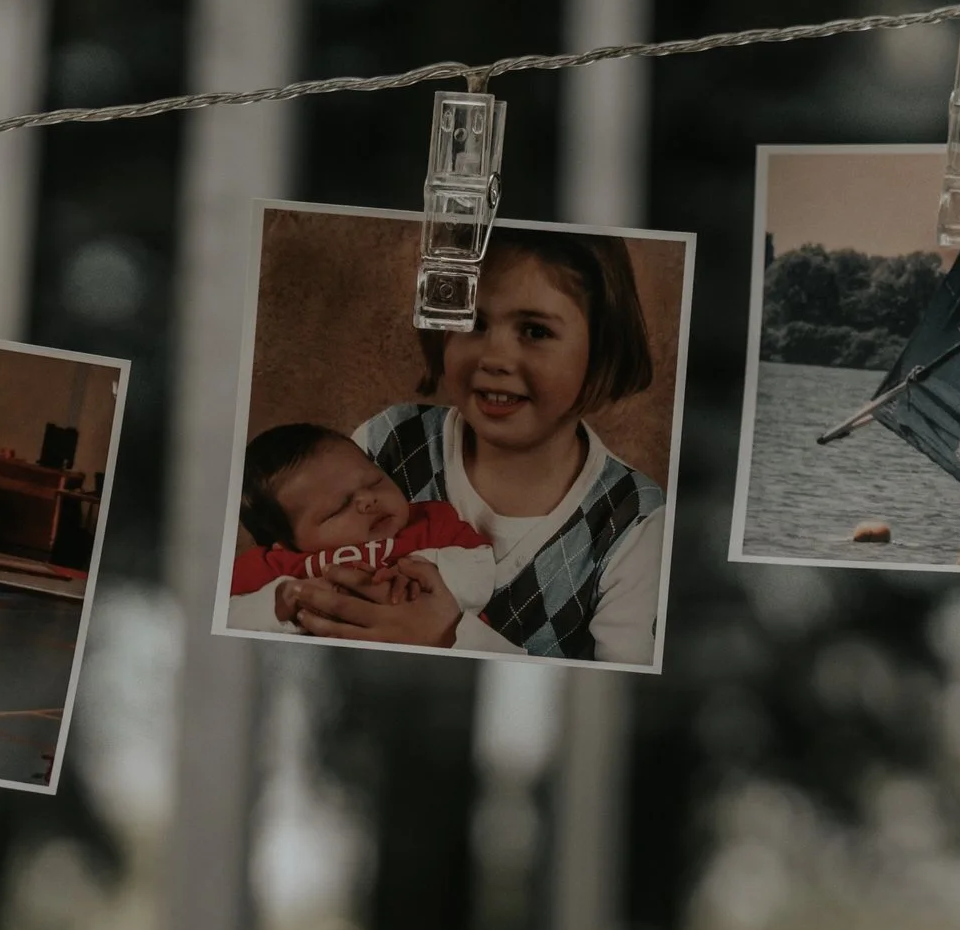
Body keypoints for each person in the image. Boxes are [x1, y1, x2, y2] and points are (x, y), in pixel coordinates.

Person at [274, 234, 666, 665]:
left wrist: (449, 637)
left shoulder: (635, 519)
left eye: (535, 331)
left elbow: (619, 690)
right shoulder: (387, 443)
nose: (494, 357)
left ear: (602, 349)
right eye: (473, 323)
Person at [227, 422, 496, 632]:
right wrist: (282, 599)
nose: (368, 501)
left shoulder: (428, 521)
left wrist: (423, 572)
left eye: (374, 481)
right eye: (338, 507)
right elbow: (224, 614)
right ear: (284, 543)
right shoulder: (274, 565)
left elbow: (480, 570)